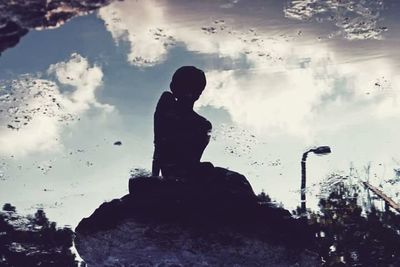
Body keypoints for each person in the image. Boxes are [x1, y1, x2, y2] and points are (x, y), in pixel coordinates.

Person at [152, 66, 254, 195]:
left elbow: (189, 159)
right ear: (174, 88)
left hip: (189, 175)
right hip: (180, 178)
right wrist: (154, 178)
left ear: (199, 93)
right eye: (185, 87)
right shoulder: (168, 107)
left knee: (238, 181)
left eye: (194, 89)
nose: (190, 93)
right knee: (236, 181)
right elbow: (159, 143)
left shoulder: (203, 125)